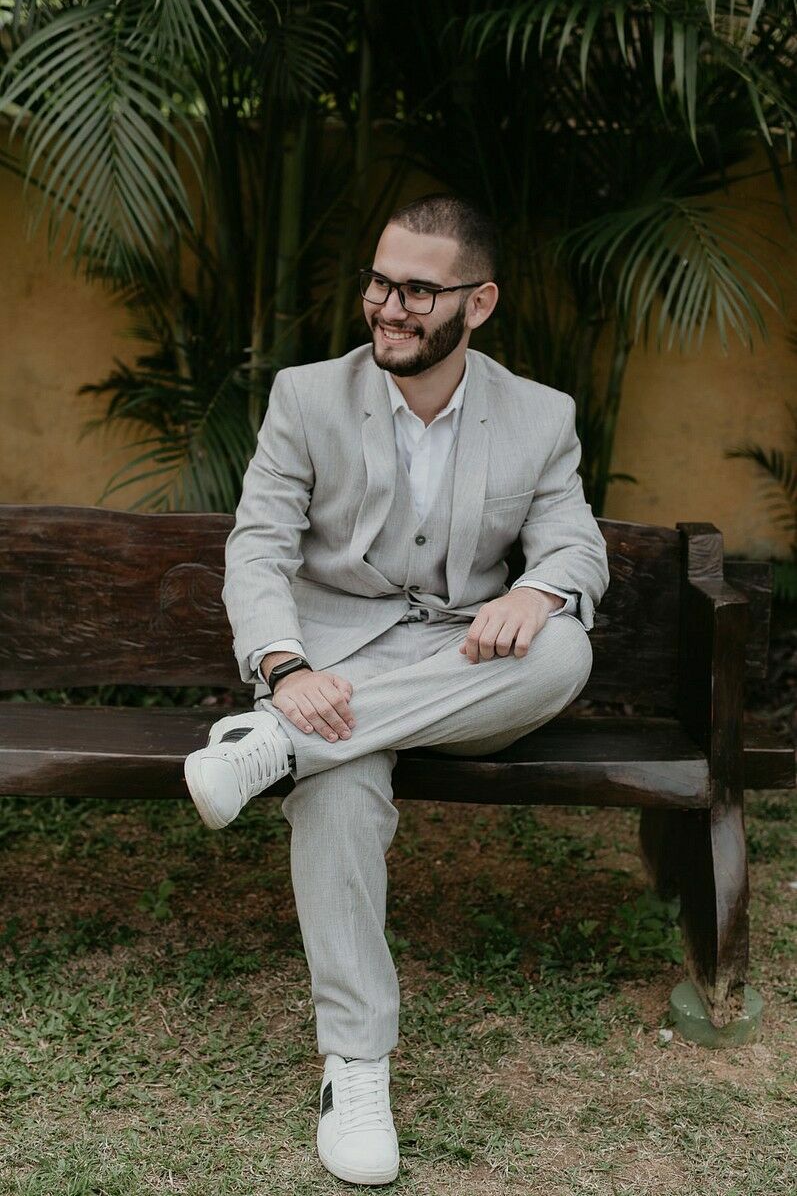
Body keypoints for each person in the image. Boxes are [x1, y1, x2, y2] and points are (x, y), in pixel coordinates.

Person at [183, 193, 610, 1186]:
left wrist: (536, 591)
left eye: (419, 290)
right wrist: (285, 669)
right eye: (380, 283)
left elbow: (574, 547)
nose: (387, 306)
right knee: (337, 783)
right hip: (329, 667)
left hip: (458, 673)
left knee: (561, 650)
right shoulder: (306, 396)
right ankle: (356, 1065)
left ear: (478, 303)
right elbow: (257, 546)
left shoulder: (539, 415)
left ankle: (273, 746)